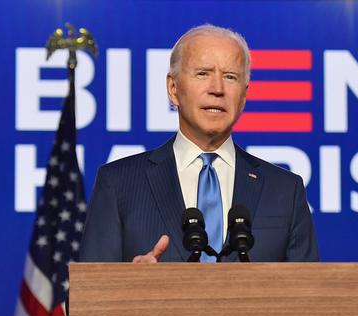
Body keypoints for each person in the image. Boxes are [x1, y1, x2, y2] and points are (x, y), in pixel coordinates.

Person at [80, 24, 319, 263]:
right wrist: (128, 287)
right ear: (173, 89)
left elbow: (313, 296)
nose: (217, 89)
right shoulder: (119, 184)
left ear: (244, 96)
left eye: (230, 76)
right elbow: (86, 296)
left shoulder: (285, 190)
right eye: (203, 73)